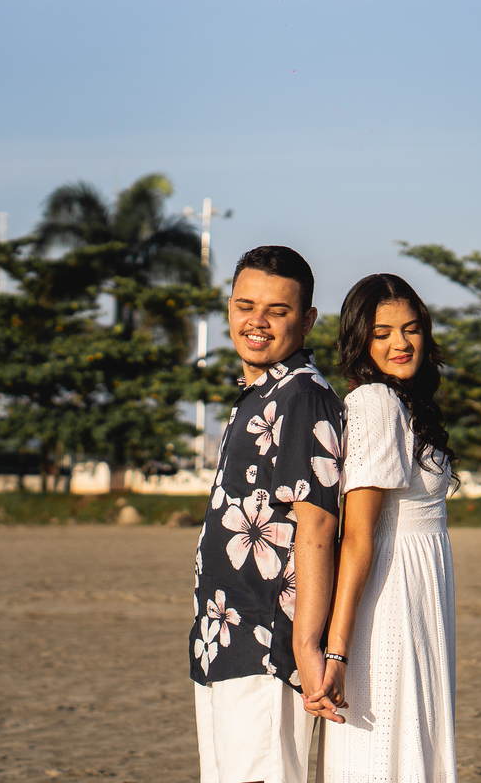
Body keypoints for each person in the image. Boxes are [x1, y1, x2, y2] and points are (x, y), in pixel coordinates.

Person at [190, 246, 345, 783]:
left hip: (267, 640)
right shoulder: (260, 392)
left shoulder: (302, 394)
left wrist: (305, 646)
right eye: (244, 305)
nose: (256, 322)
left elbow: (318, 524)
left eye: (277, 311)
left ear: (306, 320)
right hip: (224, 634)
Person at [306, 273, 459, 782]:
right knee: (385, 754)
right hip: (389, 598)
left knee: (409, 745)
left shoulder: (404, 402)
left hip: (419, 592)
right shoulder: (373, 402)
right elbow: (357, 535)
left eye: (411, 329)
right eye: (382, 332)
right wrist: (338, 649)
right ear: (359, 339)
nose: (401, 342)